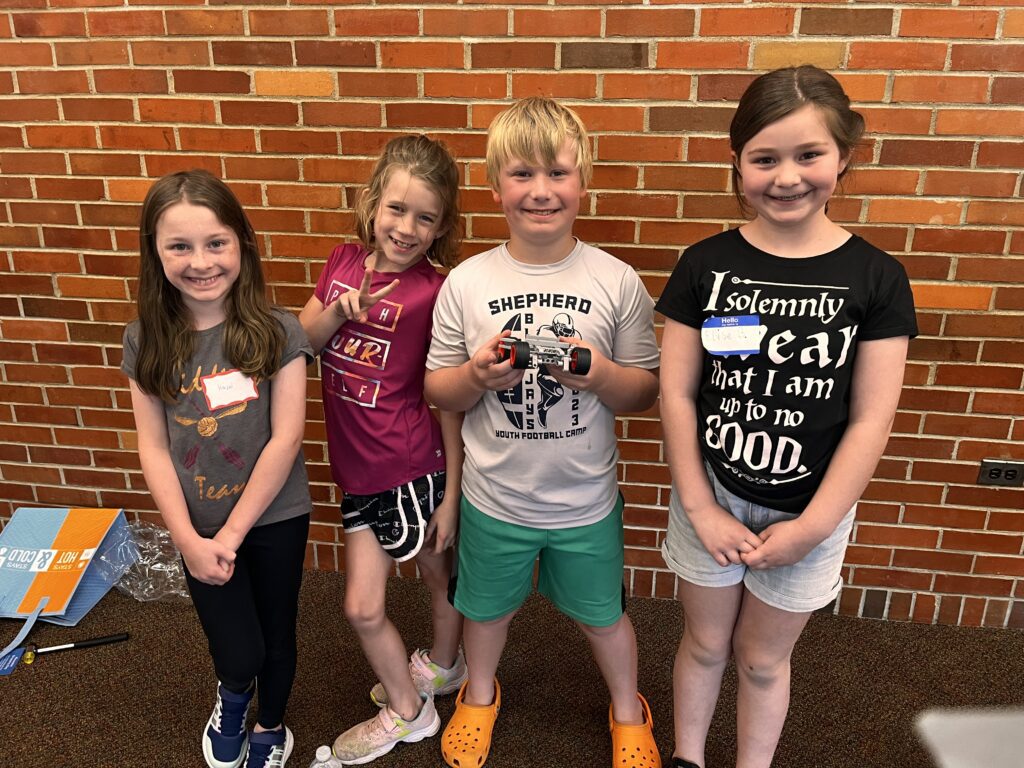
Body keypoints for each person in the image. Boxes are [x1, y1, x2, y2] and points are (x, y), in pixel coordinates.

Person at [656, 66, 918, 768]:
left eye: (809, 155)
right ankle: (686, 756)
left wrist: (812, 527)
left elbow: (870, 420)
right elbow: (678, 393)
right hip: (711, 497)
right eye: (764, 158)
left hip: (810, 510)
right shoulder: (705, 266)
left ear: (844, 159)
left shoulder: (877, 278)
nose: (787, 176)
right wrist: (701, 507)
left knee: (762, 661)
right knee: (706, 644)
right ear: (738, 163)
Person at [425, 97, 662, 768]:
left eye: (557, 173)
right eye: (522, 174)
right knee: (486, 613)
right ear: (496, 185)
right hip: (495, 500)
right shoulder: (466, 283)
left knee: (603, 618)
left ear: (582, 182)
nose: (540, 191)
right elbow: (435, 388)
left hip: (586, 504)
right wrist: (474, 377)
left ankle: (626, 708)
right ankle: (477, 694)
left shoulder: (616, 280)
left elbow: (644, 390)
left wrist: (600, 375)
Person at [123, 170, 313, 768]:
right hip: (198, 526)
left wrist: (233, 534)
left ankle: (270, 726)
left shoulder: (279, 331)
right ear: (155, 253)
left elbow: (286, 438)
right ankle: (233, 694)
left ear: (242, 245)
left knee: (278, 638)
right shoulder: (145, 339)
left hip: (276, 517)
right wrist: (189, 538)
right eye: (179, 246)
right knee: (239, 651)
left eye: (215, 243)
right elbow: (152, 446)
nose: (200, 261)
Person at [299, 135, 466, 765]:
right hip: (357, 472)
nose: (407, 227)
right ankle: (413, 702)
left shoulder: (435, 291)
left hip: (411, 467)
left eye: (426, 217)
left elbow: (448, 395)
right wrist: (340, 312)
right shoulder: (342, 261)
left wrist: (450, 493)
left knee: (435, 577)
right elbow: (302, 342)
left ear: (443, 225)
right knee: (364, 607)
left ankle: (438, 675)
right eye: (396, 209)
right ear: (373, 204)